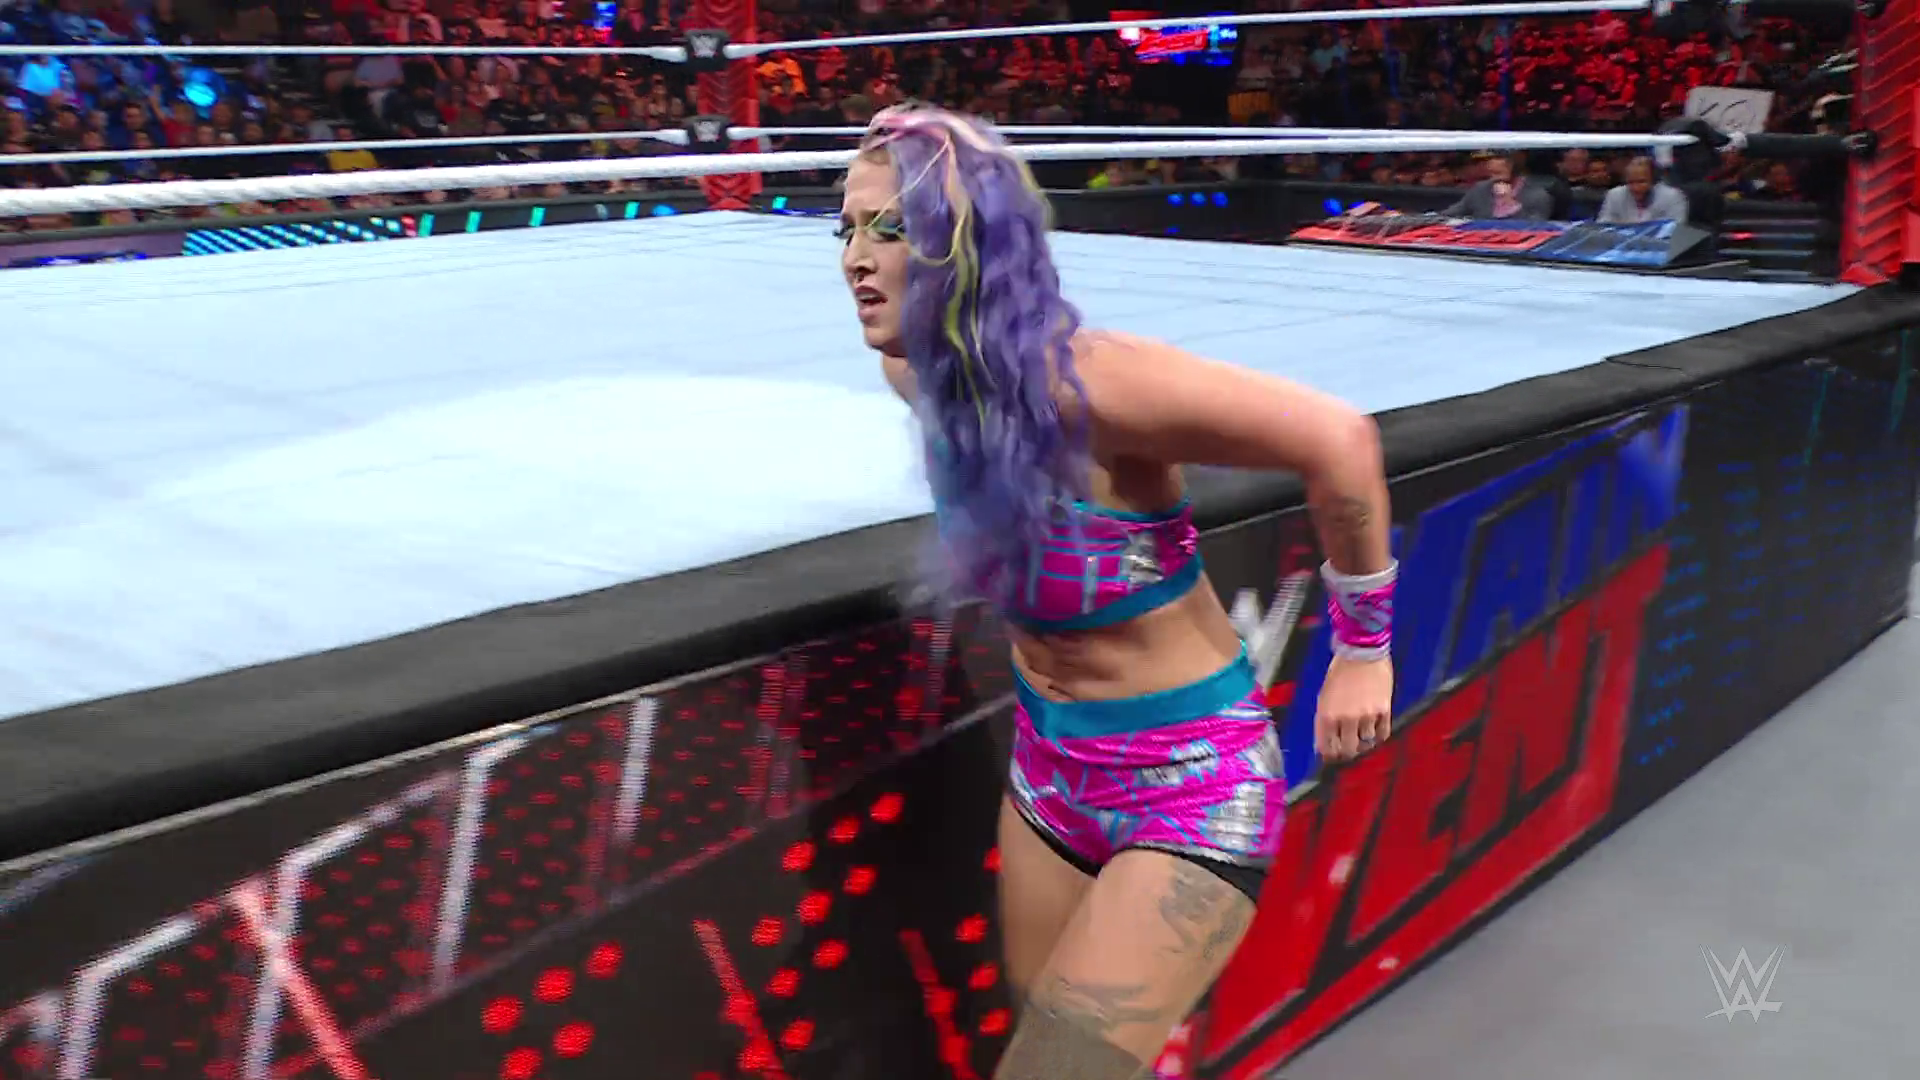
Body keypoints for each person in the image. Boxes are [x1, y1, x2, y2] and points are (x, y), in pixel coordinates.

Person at [836, 103, 1398, 1080]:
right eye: (845, 229)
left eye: (889, 228)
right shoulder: (919, 379)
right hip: (1050, 774)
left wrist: (1363, 646)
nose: (855, 257)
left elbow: (1339, 439)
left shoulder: (1090, 386)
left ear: (967, 240)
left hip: (1189, 783)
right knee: (1053, 1052)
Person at [1440, 149, 1554, 221]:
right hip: (1480, 244)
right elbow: (1450, 214)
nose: (1490, 164)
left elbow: (1535, 229)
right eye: (1491, 173)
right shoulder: (1480, 189)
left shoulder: (1537, 195)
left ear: (1513, 165)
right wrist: (1432, 218)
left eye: (1498, 173)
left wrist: (1509, 204)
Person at [1597, 155, 1690, 225]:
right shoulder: (1614, 195)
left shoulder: (1672, 196)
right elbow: (1604, 226)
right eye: (1631, 182)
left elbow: (1676, 229)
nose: (1635, 188)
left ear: (1653, 180)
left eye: (1641, 182)